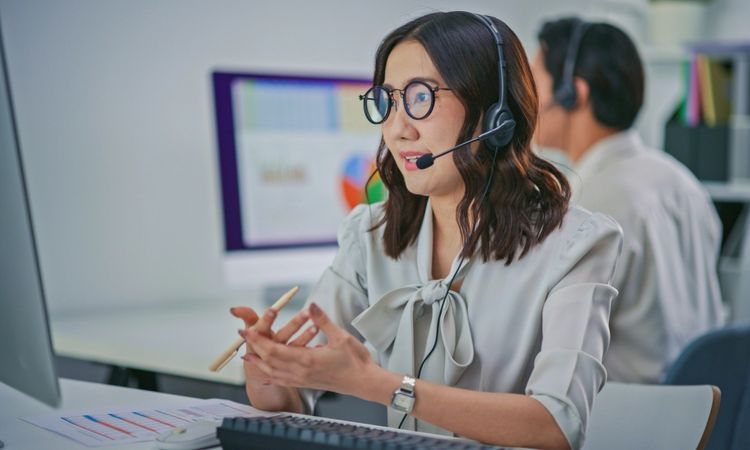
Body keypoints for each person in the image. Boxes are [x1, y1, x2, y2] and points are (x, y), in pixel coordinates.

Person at [231, 11, 622, 450]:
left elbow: (556, 426)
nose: (397, 129)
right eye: (388, 100)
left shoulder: (576, 245)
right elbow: (298, 392)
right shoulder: (370, 235)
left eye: (420, 97)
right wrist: (271, 377)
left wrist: (381, 384)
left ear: (494, 115)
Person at [531, 17, 725, 384]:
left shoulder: (594, 202)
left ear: (574, 93)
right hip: (694, 410)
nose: (522, 99)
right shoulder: (681, 180)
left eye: (532, 81)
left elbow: (548, 335)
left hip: (625, 415)